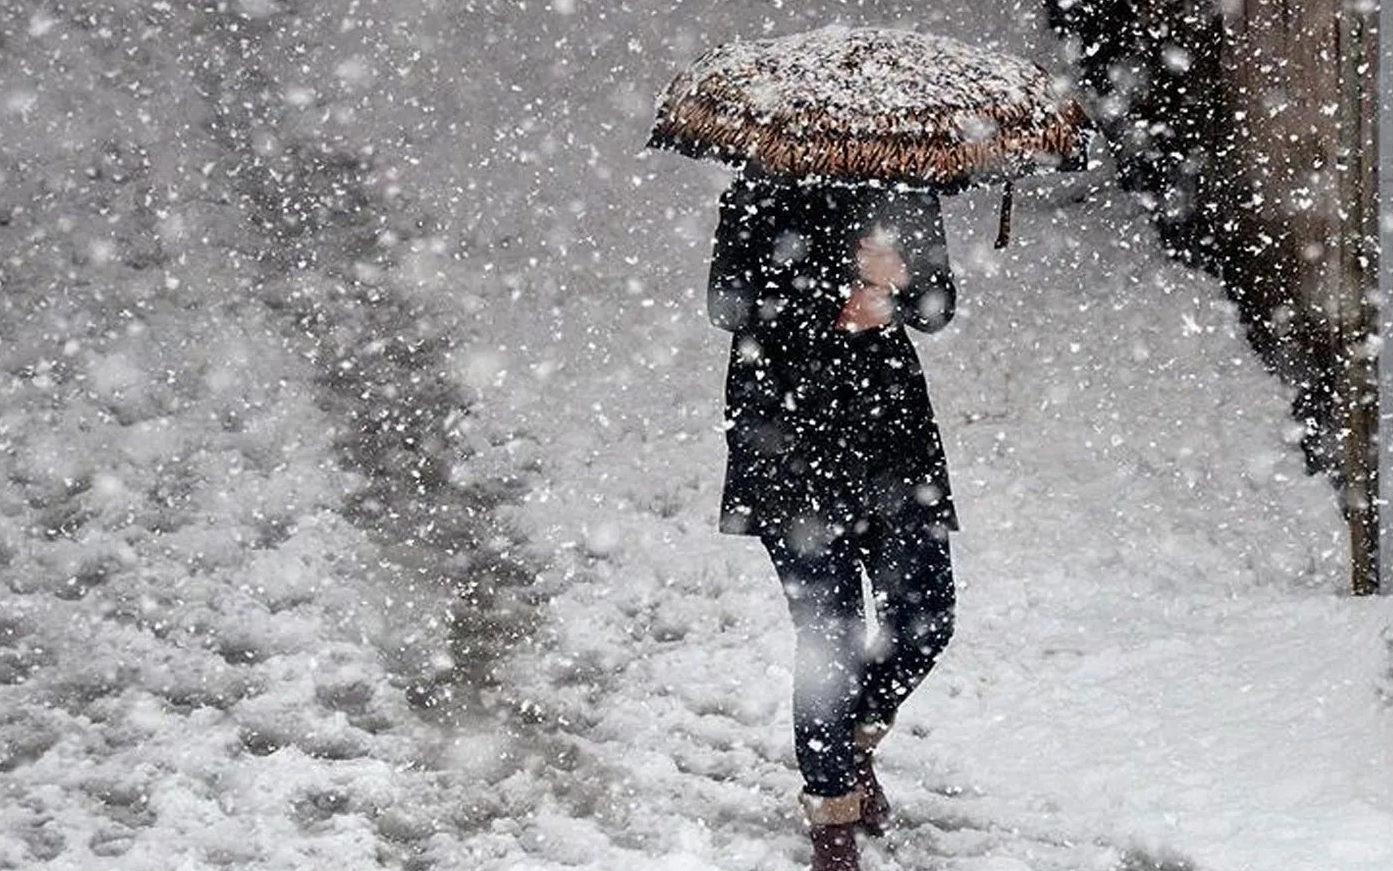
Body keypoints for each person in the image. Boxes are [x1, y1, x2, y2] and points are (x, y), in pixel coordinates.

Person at [706, 164, 959, 871]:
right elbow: (727, 304)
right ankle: (831, 817)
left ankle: (849, 744)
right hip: (787, 441)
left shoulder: (905, 184)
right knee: (830, 637)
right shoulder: (758, 188)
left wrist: (899, 281)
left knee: (925, 616)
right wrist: (831, 300)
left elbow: (938, 306)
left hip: (891, 442)